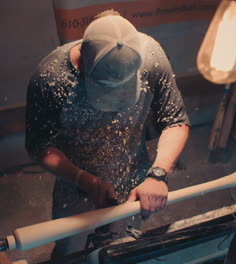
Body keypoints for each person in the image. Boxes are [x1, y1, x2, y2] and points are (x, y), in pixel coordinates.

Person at [25, 9, 190, 260]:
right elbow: (40, 144)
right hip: (74, 187)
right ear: (83, 58)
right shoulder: (52, 77)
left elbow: (175, 121)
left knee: (123, 250)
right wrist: (84, 180)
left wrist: (157, 175)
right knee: (70, 253)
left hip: (136, 181)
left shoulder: (151, 57)